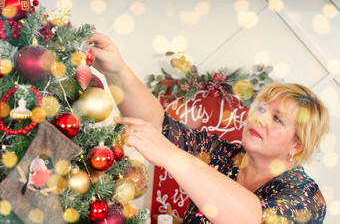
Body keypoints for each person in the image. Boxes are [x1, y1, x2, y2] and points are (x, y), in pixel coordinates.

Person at [88, 33, 330, 223]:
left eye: (278, 119)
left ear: (298, 145)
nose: (260, 118)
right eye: (262, 108)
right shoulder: (224, 156)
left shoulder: (306, 197)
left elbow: (253, 219)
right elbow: (160, 126)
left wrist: (171, 155)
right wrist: (117, 70)